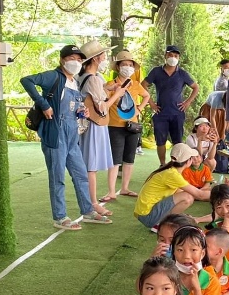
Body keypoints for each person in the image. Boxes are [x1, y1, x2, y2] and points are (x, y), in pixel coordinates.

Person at [21, 44, 111, 229]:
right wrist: (44, 105)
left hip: (72, 134)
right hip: (55, 132)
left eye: (79, 60)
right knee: (57, 177)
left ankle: (88, 211)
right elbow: (26, 80)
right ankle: (60, 217)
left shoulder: (74, 81)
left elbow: (72, 105)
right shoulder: (53, 76)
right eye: (72, 59)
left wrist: (81, 111)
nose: (76, 63)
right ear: (62, 60)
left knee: (81, 174)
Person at [77, 40, 126, 218]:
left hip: (90, 123)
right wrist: (117, 94)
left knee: (90, 165)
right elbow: (102, 107)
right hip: (94, 125)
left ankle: (91, 202)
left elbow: (93, 94)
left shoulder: (87, 77)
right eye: (103, 55)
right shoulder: (93, 78)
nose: (105, 58)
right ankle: (93, 203)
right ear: (96, 58)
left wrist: (107, 88)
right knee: (91, 166)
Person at [142, 45, 199, 165]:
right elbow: (143, 85)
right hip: (160, 112)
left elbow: (195, 87)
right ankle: (162, 164)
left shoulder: (182, 73)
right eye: (170, 55)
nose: (173, 57)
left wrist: (188, 102)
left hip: (177, 113)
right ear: (165, 56)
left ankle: (176, 165)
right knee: (160, 141)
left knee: (177, 142)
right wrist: (151, 103)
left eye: (175, 56)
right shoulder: (156, 71)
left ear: (179, 58)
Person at [105, 51, 149, 200]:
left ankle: (125, 188)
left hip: (132, 126)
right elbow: (105, 100)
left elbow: (147, 96)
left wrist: (139, 108)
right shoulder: (111, 85)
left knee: (129, 158)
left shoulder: (135, 84)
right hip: (115, 125)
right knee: (115, 160)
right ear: (118, 67)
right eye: (124, 64)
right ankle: (111, 191)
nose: (128, 67)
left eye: (130, 65)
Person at [133, 143, 205, 229]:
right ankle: (163, 225)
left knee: (185, 195)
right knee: (188, 197)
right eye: (191, 158)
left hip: (144, 214)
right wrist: (216, 192)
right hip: (147, 216)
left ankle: (163, 222)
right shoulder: (173, 175)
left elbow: (181, 192)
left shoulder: (171, 171)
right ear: (188, 161)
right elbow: (200, 195)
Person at [206, 59, 229, 136]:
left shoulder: (227, 80)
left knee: (226, 132)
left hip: (221, 107)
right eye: (226, 67)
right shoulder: (221, 82)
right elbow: (212, 116)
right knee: (217, 133)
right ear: (222, 69)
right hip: (215, 109)